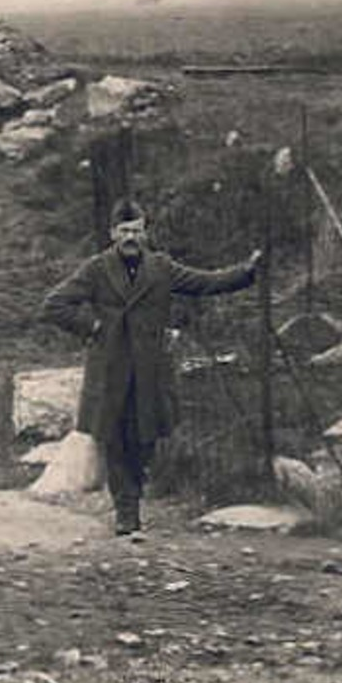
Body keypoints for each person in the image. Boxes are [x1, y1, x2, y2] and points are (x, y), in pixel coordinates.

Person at [42, 198, 260, 538]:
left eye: (137, 230)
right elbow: (54, 305)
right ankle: (127, 512)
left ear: (145, 233)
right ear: (113, 233)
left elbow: (204, 282)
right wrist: (93, 326)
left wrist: (246, 272)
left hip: (149, 370)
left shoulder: (161, 267)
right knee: (113, 438)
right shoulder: (96, 269)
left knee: (145, 438)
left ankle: (135, 491)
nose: (131, 236)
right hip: (111, 369)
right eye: (125, 230)